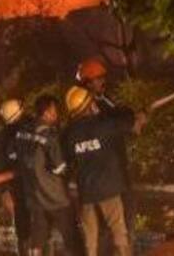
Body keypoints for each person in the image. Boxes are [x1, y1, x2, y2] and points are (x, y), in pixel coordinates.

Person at [63, 86, 146, 256]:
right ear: (89, 105)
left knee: (90, 242)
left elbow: (66, 159)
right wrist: (141, 117)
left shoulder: (68, 134)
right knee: (119, 234)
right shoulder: (105, 125)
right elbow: (134, 127)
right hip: (109, 190)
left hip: (86, 193)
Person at [76, 57, 137, 254]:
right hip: (109, 179)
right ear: (87, 83)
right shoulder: (92, 109)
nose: (103, 81)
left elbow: (119, 113)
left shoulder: (101, 101)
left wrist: (131, 116)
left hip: (102, 177)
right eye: (98, 78)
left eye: (103, 77)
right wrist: (132, 122)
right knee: (120, 228)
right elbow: (113, 123)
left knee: (107, 230)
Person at [14, 95, 80, 256]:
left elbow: (15, 156)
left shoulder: (22, 132)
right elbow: (60, 168)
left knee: (38, 237)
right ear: (48, 111)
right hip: (55, 197)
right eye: (55, 111)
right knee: (71, 237)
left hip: (34, 197)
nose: (57, 115)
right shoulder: (49, 136)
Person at [0, 99, 30, 256]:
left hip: (18, 191)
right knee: (41, 231)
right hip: (35, 189)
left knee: (24, 232)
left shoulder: (2, 138)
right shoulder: (32, 127)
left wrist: (4, 192)